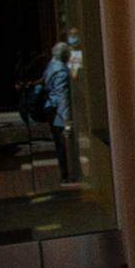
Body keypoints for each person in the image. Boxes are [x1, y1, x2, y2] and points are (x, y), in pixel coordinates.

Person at [43, 42, 73, 184]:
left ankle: (65, 173)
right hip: (58, 111)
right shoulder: (61, 71)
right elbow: (62, 96)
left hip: (50, 107)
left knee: (59, 143)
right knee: (63, 143)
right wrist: (66, 120)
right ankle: (65, 174)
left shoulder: (51, 66)